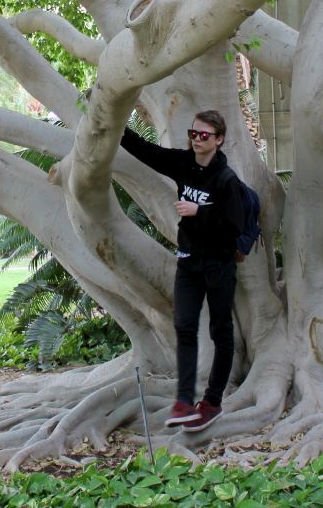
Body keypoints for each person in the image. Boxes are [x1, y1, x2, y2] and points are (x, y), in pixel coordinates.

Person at [120, 110, 260, 432]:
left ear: (219, 139)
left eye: (204, 136)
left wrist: (200, 211)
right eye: (193, 134)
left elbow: (233, 224)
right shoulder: (184, 163)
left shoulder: (227, 181)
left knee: (221, 331)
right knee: (184, 326)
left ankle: (212, 403)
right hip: (188, 261)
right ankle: (183, 402)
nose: (197, 140)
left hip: (219, 264)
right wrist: (115, 126)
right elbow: (148, 153)